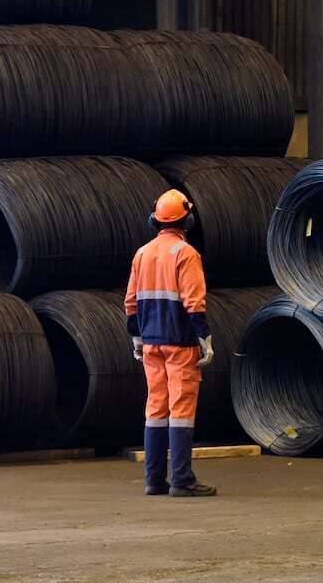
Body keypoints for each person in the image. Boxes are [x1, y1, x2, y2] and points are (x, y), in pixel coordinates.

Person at [124, 189, 216, 497]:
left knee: (156, 408)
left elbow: (131, 302)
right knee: (181, 410)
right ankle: (182, 480)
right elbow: (194, 303)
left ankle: (154, 480)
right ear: (188, 220)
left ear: (155, 220)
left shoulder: (142, 253)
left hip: (151, 343)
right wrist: (205, 339)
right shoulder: (186, 254)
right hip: (180, 343)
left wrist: (137, 339)